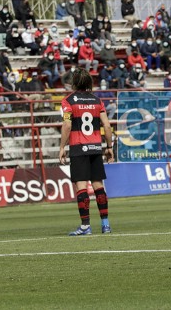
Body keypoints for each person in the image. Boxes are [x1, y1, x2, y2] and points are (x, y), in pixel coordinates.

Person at [58, 69, 114, 235]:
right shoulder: (97, 101)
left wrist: (62, 147)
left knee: (82, 187)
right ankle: (106, 225)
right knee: (98, 186)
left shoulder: (68, 101)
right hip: (96, 147)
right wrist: (109, 147)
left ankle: (85, 226)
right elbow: (107, 125)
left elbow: (67, 125)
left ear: (74, 82)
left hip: (78, 148)